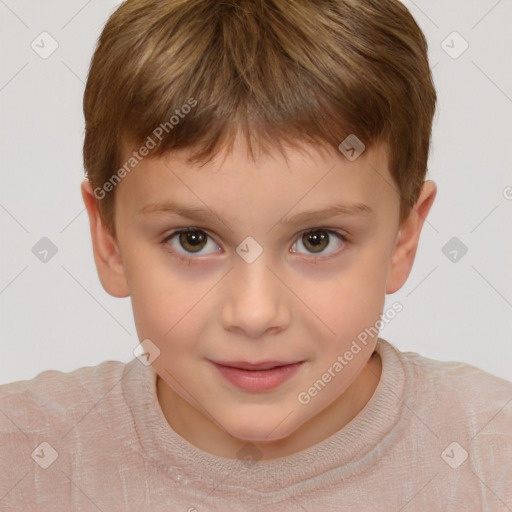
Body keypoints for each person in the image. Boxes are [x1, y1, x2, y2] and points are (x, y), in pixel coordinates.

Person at [1, 0, 511, 510]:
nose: (254, 313)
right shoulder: (21, 457)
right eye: (193, 240)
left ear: (404, 238)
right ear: (108, 240)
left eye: (317, 240)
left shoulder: (493, 453)